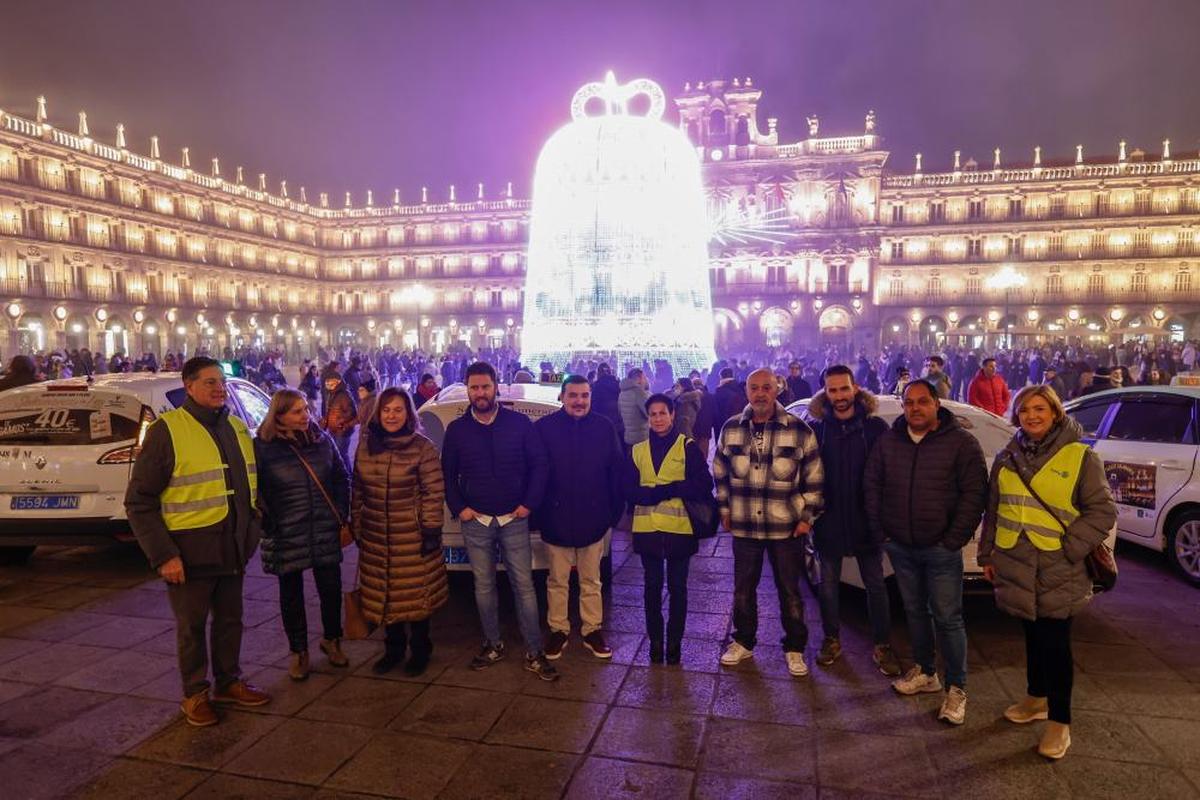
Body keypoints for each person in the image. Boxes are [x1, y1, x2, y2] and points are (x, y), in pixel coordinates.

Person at [125, 356, 270, 727]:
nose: (219, 387)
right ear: (188, 386)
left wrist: (253, 526)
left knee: (230, 621)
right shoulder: (167, 431)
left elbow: (250, 487)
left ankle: (229, 682)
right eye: (209, 382)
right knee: (191, 627)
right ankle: (195, 693)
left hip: (234, 546)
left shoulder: (237, 428)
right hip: (188, 553)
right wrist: (164, 556)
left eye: (221, 381)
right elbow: (139, 501)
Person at [977, 385, 1115, 759]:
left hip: (1059, 567)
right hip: (1015, 561)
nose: (1032, 416)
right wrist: (987, 554)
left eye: (1040, 409)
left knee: (1055, 644)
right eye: (1024, 410)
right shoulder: (1007, 456)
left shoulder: (1080, 457)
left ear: (1055, 412)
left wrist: (1071, 548)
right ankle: (1036, 698)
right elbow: (995, 510)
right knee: (1032, 635)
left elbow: (1102, 511)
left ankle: (1060, 722)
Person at [864, 379, 987, 725]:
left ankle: (957, 688)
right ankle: (926, 671)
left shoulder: (961, 443)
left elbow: (974, 493)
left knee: (948, 617)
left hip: (940, 548)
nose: (915, 408)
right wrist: (883, 531)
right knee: (915, 610)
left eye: (922, 402)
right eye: (909, 403)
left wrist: (954, 538)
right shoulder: (889, 441)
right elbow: (872, 485)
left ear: (936, 403)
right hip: (901, 545)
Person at [441, 362, 557, 681]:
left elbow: (540, 465)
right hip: (475, 520)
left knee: (524, 585)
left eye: (485, 387)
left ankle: (534, 650)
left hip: (514, 518)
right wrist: (460, 507)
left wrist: (528, 504)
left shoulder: (519, 425)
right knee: (484, 586)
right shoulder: (458, 430)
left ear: (496, 387)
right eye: (474, 388)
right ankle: (493, 644)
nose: (480, 393)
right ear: (468, 389)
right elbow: (448, 474)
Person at [714, 368, 824, 677]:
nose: (760, 393)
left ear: (776, 390)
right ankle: (744, 641)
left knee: (789, 591)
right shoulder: (732, 428)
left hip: (786, 527)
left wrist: (807, 518)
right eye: (754, 388)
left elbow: (814, 478)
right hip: (746, 524)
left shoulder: (799, 429)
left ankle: (795, 647)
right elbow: (720, 471)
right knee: (743, 590)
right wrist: (724, 508)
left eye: (766, 387)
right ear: (747, 391)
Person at [805, 365, 900, 676]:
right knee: (828, 586)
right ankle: (831, 639)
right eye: (832, 391)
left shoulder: (875, 429)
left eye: (844, 389)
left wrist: (883, 519)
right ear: (825, 394)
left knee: (876, 586)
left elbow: (888, 476)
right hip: (829, 522)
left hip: (866, 523)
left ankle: (882, 645)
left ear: (855, 388)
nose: (839, 397)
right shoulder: (817, 431)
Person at [254, 389, 349, 681]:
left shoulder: (322, 440)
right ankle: (298, 651)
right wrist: (268, 521)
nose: (305, 415)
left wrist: (341, 513)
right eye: (297, 411)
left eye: (306, 409)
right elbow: (256, 489)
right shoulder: (263, 447)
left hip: (322, 525)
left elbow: (341, 477)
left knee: (331, 589)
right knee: (291, 594)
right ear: (279, 415)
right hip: (286, 530)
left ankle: (332, 641)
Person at [353, 388, 448, 676]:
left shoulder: (422, 447)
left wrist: (431, 528)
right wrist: (358, 523)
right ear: (377, 413)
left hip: (412, 534)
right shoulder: (366, 446)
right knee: (385, 593)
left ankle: (420, 649)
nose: (391, 415)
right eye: (386, 410)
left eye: (398, 410)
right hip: (376, 534)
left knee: (417, 595)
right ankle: (393, 648)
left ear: (408, 413)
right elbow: (357, 490)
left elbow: (433, 491)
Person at [534, 375, 625, 660]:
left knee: (591, 580)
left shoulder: (603, 427)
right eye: (573, 395)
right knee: (557, 580)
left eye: (584, 395)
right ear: (561, 397)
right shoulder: (544, 428)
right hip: (556, 518)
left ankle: (591, 629)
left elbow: (616, 472)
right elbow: (536, 474)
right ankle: (558, 629)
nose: (579, 401)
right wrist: (540, 512)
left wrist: (613, 513)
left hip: (593, 518)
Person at [625, 393, 713, 664]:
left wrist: (661, 490)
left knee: (678, 588)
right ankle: (655, 643)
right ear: (648, 418)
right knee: (651, 588)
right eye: (653, 414)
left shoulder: (686, 447)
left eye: (663, 413)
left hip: (679, 530)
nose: (658, 419)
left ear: (673, 415)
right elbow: (628, 490)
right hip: (648, 530)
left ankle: (674, 644)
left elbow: (703, 484)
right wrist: (664, 492)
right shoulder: (637, 451)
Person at [619, 367, 650, 448]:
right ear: (639, 378)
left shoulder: (622, 392)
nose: (646, 380)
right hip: (642, 437)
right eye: (644, 377)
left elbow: (620, 413)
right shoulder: (638, 392)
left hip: (629, 437)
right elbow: (648, 413)